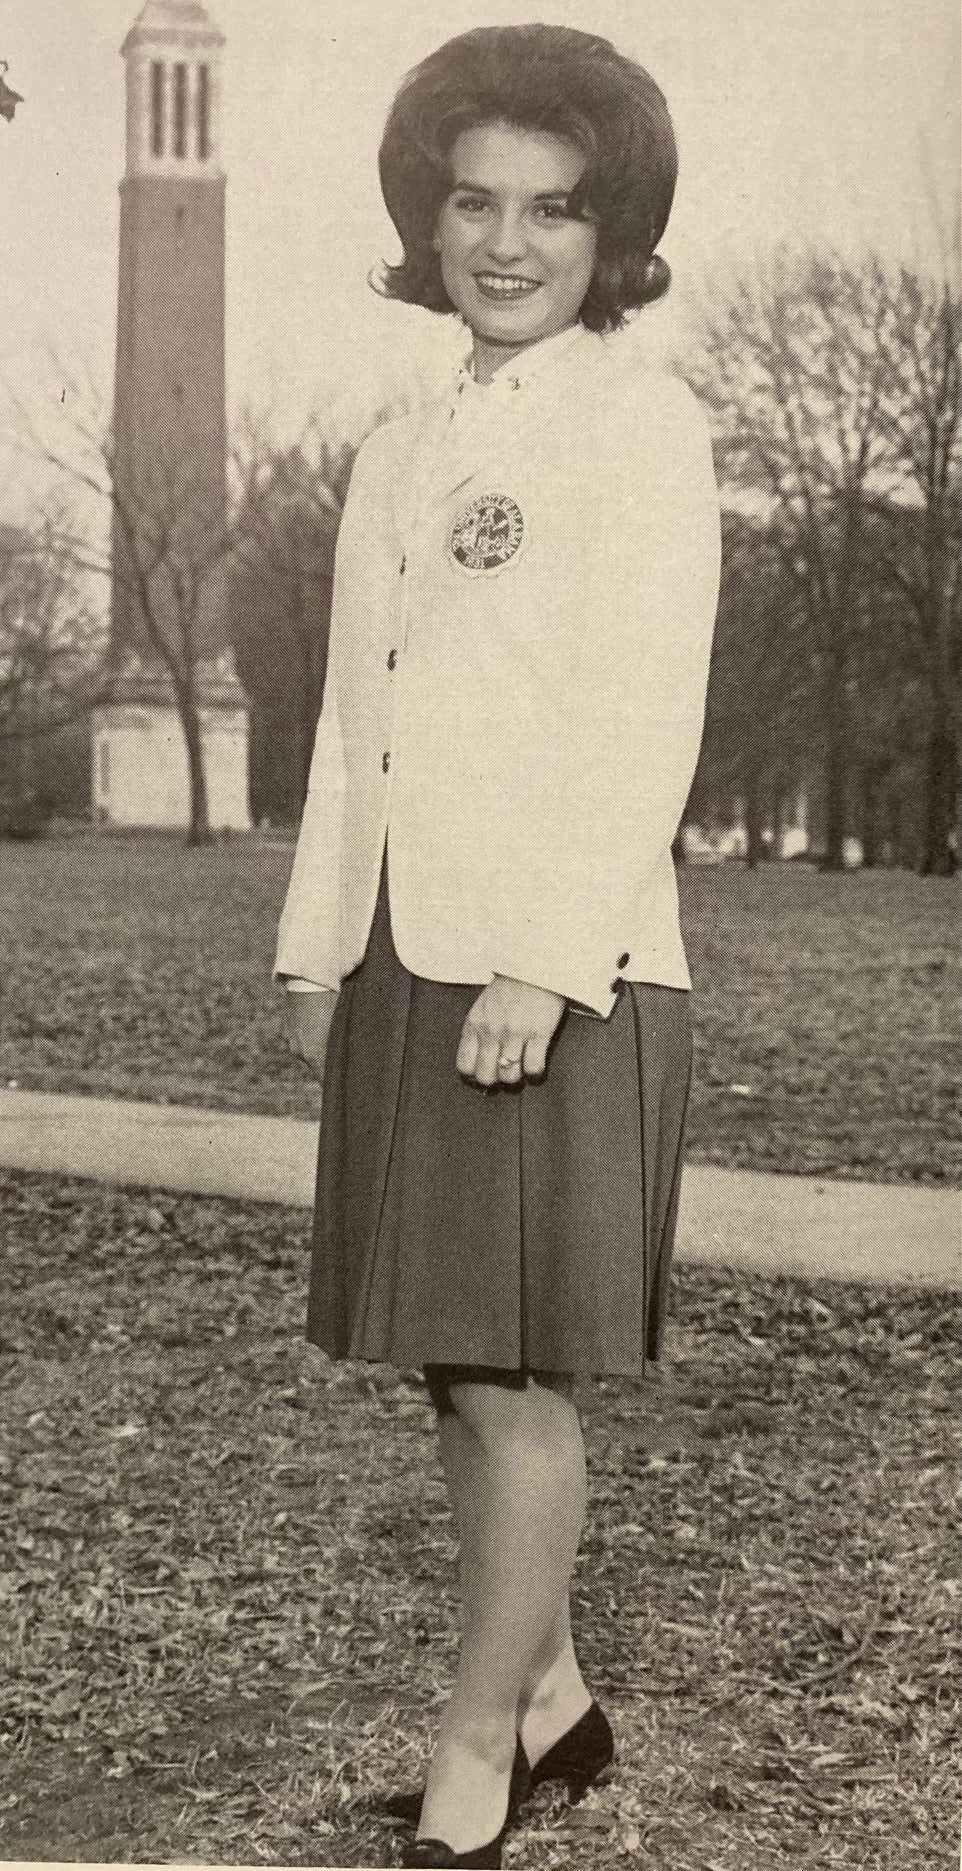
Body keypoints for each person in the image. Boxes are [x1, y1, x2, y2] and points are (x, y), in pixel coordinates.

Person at [275, 24, 721, 1870]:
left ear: (609, 231)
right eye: (475, 201)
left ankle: (485, 1740)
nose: (509, 241)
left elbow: (644, 719)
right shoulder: (405, 435)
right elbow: (348, 714)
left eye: (552, 208)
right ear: (427, 215)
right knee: (444, 1357)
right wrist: (319, 950)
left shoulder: (641, 420)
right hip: (407, 944)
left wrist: (545, 963)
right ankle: (551, 1694)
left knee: (513, 1372)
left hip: (555, 964)